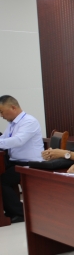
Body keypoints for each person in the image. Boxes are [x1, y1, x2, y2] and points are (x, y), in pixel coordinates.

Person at [0, 95, 44, 223]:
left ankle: (20, 213)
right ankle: (9, 210)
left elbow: (18, 141)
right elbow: (4, 139)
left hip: (30, 164)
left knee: (2, 181)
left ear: (13, 107)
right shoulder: (12, 124)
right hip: (16, 162)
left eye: (2, 112)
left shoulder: (29, 121)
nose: (1, 116)